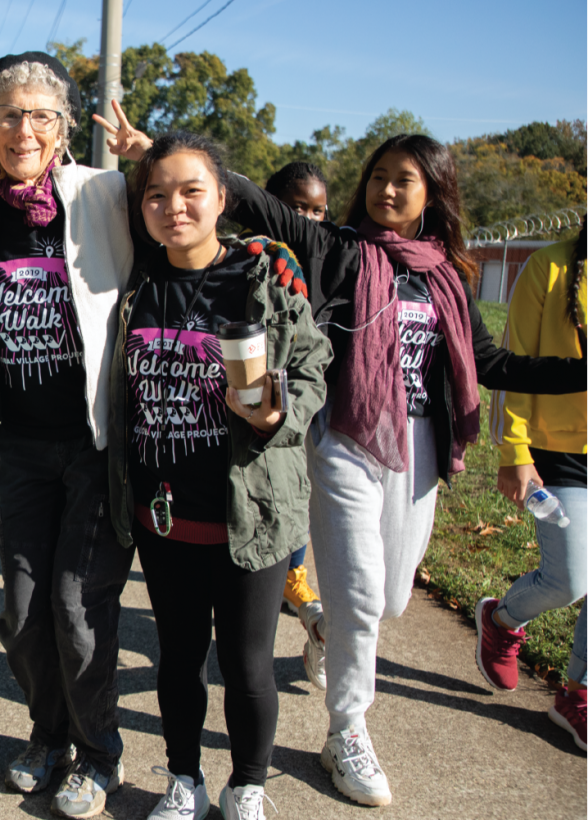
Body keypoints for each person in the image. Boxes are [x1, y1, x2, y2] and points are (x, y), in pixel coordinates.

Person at [223, 134, 588, 806]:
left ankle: (328, 627)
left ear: (433, 193)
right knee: (363, 593)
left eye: (405, 180)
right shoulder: (337, 249)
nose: (387, 190)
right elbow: (261, 207)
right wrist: (181, 160)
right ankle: (347, 730)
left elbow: (493, 364)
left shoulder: (446, 275)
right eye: (379, 177)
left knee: (385, 600)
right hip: (346, 439)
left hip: (418, 450)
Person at [0, 52, 137, 819]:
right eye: (9, 114)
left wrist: (157, 161)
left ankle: (99, 753)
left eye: (42, 115)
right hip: (19, 446)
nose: (25, 129)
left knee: (78, 612)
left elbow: (201, 218)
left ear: (62, 129)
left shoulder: (106, 192)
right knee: (21, 615)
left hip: (95, 448)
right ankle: (47, 735)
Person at [107, 132, 331, 820]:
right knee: (178, 659)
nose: (173, 205)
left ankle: (248, 786)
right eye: (156, 194)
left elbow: (311, 371)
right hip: (164, 515)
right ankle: (184, 781)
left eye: (190, 191)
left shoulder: (262, 275)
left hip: (251, 512)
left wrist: (275, 416)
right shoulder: (133, 283)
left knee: (247, 664)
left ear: (222, 198)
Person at [479, 224, 588, 753]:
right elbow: (515, 364)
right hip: (558, 452)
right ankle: (501, 618)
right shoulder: (549, 266)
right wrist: (514, 451)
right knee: (569, 580)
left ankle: (577, 697)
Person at [262, 161, 329, 686]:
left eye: (316, 210)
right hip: (264, 406)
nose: (307, 218)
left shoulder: (332, 258)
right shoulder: (258, 256)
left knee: (301, 497)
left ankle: (296, 581)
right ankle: (294, 585)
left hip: (315, 403)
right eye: (296, 207)